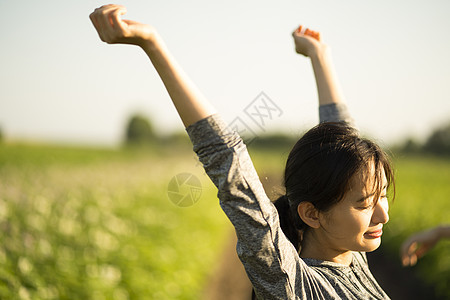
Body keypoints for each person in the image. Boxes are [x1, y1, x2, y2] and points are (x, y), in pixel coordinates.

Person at [90, 5, 394, 299]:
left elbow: (343, 143)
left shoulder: (350, 254)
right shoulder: (293, 285)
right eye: (365, 203)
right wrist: (152, 44)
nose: (383, 214)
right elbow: (230, 163)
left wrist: (319, 56)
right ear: (312, 214)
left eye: (381, 195)